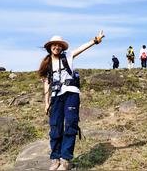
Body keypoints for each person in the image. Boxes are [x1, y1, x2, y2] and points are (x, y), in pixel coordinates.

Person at [38, 31, 105, 170]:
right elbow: (46, 84)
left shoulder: (68, 57)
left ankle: (66, 159)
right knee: (55, 126)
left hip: (71, 94)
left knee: (70, 124)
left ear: (62, 47)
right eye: (54, 45)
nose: (56, 47)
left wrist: (95, 40)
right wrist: (46, 102)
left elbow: (82, 48)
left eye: (59, 45)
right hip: (56, 97)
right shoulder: (47, 63)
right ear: (50, 47)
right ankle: (55, 158)